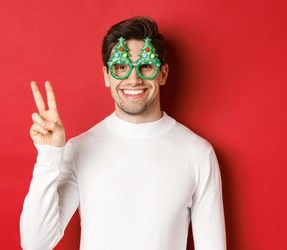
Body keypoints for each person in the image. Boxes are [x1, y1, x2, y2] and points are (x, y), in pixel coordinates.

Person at [20, 16, 226, 250]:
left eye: (146, 66)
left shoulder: (198, 154)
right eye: (121, 67)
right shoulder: (79, 149)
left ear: (163, 73)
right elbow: (35, 244)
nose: (133, 79)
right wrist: (48, 155)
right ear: (107, 75)